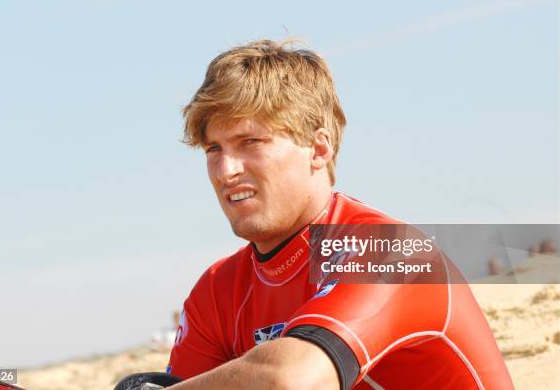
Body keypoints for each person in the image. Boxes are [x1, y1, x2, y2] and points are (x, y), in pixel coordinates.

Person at [165, 40, 513, 389]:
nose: (226, 171)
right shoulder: (217, 291)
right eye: (214, 149)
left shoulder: (391, 251)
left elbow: (291, 380)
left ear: (319, 148)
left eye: (250, 142)